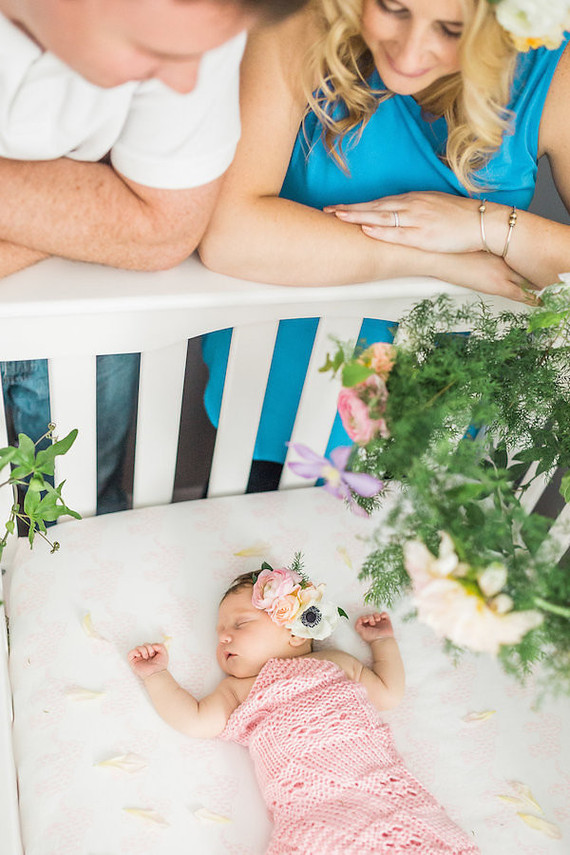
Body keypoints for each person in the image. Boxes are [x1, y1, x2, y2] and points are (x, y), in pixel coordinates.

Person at [198, 0, 570, 491]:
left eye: (451, 29)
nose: (411, 49)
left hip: (448, 430)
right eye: (393, 8)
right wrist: (434, 257)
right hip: (277, 412)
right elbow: (230, 235)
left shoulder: (553, 67)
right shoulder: (297, 24)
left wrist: (492, 227)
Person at [0, 0, 307, 511]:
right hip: (74, 275)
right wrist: (94, 209)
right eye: (152, 51)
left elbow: (165, 229)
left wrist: (132, 224)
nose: (187, 84)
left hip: (77, 306)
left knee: (79, 515)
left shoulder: (200, 18)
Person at [128, 563, 479, 853]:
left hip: (377, 786)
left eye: (240, 624)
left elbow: (388, 693)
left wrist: (383, 643)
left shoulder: (335, 662)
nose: (224, 637)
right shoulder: (237, 690)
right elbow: (194, 720)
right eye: (220, 631)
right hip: (312, 807)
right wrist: (157, 676)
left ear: (296, 633)